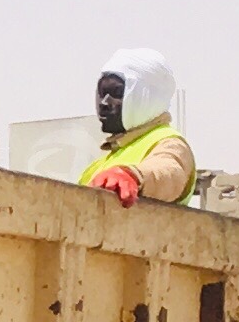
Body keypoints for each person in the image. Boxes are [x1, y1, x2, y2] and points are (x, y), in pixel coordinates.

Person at [84, 47, 199, 207]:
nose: (104, 102)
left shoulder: (169, 142)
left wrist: (134, 176)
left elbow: (169, 172)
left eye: (116, 93)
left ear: (147, 96)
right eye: (102, 92)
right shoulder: (96, 167)